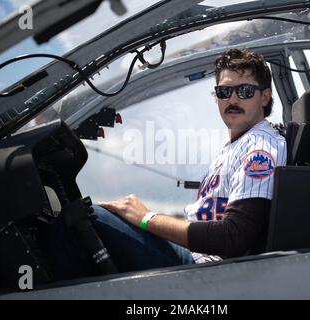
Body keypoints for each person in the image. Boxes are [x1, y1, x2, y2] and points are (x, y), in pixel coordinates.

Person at [41, 48, 287, 277]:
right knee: (98, 218)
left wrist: (148, 218)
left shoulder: (259, 147)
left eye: (244, 91)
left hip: (209, 267)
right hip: (198, 255)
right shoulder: (236, 145)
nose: (232, 99)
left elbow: (234, 238)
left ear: (265, 97)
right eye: (224, 91)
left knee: (86, 218)